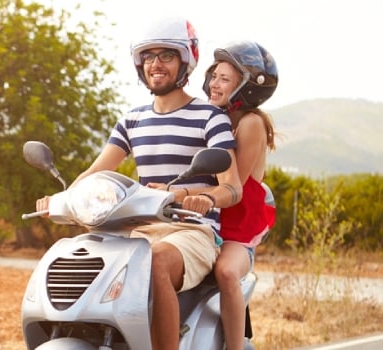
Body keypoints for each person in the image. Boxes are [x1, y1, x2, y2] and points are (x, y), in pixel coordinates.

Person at [37, 17, 243, 350]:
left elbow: (232, 188)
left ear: (184, 62)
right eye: (148, 57)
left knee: (155, 259)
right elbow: (97, 170)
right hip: (139, 229)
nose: (155, 64)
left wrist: (200, 197)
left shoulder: (209, 117)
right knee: (83, 256)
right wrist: (63, 198)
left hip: (191, 231)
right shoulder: (131, 120)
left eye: (166, 56)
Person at [202, 40, 279, 350]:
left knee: (226, 271)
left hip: (235, 229)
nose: (213, 83)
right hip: (205, 220)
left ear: (246, 88)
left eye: (224, 78)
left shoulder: (250, 124)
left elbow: (234, 184)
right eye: (213, 76)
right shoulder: (210, 116)